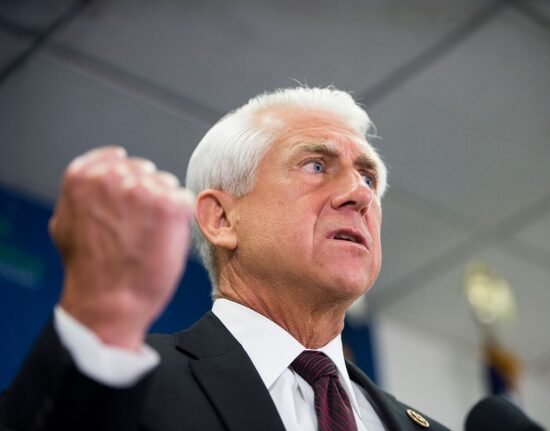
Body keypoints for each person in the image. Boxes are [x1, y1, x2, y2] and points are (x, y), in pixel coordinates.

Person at [0, 87, 449, 430]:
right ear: (221, 218)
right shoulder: (120, 382)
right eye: (316, 165)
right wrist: (97, 322)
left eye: (368, 178)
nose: (359, 195)